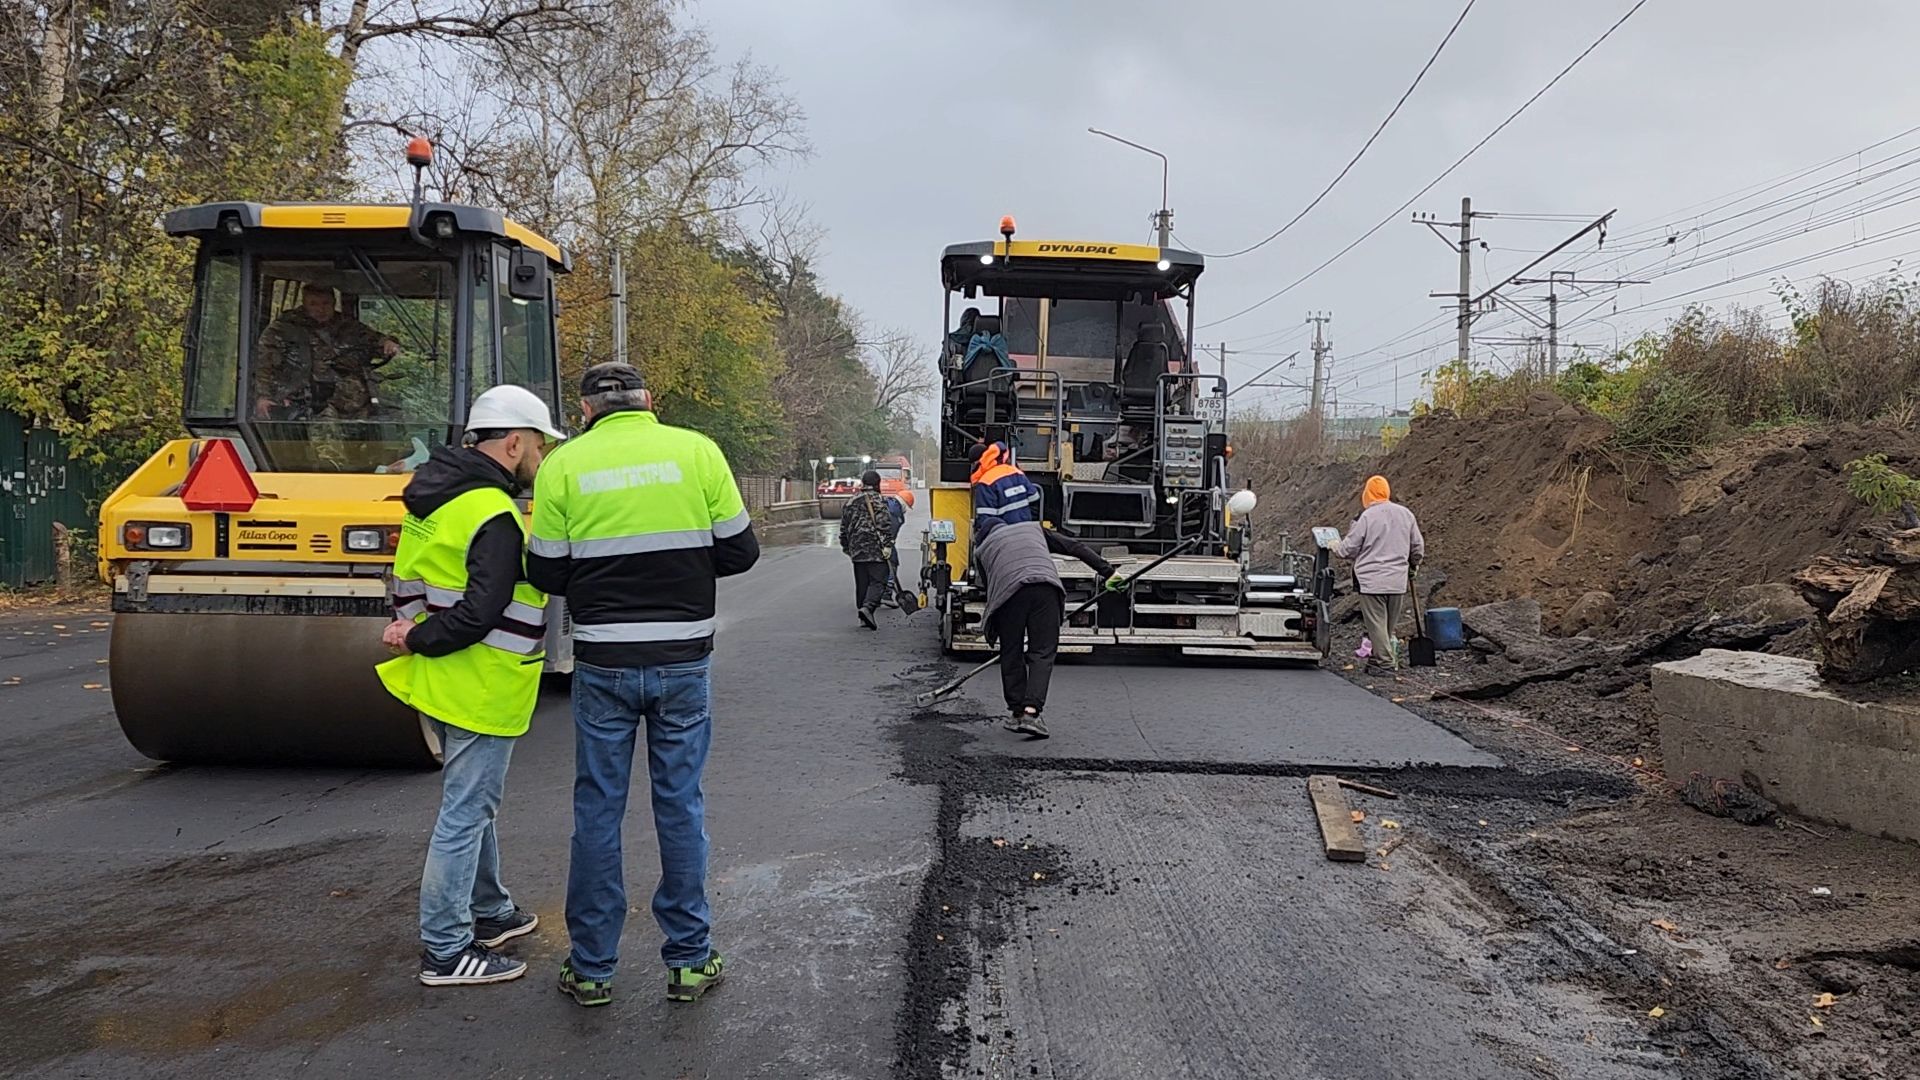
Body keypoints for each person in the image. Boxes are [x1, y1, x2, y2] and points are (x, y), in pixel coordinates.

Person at [527, 361, 760, 1009]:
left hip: (601, 663)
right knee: (679, 802)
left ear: (584, 411)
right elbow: (741, 553)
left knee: (597, 809)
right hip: (683, 660)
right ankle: (689, 959)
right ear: (648, 401)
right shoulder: (696, 451)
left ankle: (592, 968)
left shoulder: (563, 466)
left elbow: (545, 571)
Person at [375, 384, 567, 988]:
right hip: (480, 679)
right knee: (465, 813)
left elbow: (407, 581)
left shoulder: (431, 499)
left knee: (474, 806)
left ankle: (491, 911)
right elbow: (482, 612)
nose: (540, 456)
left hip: (441, 678)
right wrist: (421, 639)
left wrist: (413, 635)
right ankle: (446, 949)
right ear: (513, 442)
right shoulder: (493, 513)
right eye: (538, 444)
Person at [972, 514, 1125, 739]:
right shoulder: (1033, 529)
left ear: (980, 535)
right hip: (1045, 589)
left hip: (1008, 596)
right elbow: (1074, 546)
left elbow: (989, 591)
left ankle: (1016, 713)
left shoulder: (981, 551)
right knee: (1041, 652)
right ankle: (1031, 714)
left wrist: (998, 630)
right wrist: (1109, 572)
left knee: (1011, 652)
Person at [254, 283, 402, 420]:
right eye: (313, 304)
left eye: (326, 303)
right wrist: (264, 397)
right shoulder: (283, 330)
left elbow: (376, 341)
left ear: (333, 303)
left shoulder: (348, 326)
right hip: (303, 404)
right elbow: (263, 365)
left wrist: (388, 343)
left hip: (350, 404)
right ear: (304, 304)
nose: (321, 309)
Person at [1334, 474, 1426, 673]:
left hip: (1371, 580)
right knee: (1386, 627)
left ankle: (1385, 663)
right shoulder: (1406, 514)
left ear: (1367, 494)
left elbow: (1348, 550)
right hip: (1397, 581)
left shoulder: (1367, 517)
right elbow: (1417, 547)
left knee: (1376, 625)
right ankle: (1377, 659)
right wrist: (1413, 565)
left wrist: (1334, 545)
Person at [839, 470, 897, 629]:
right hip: (875, 548)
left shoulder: (850, 501)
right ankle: (868, 607)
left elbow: (843, 528)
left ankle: (863, 615)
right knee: (879, 578)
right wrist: (887, 546)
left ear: (863, 483)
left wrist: (846, 547)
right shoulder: (879, 501)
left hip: (856, 549)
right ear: (878, 484)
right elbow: (885, 525)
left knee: (862, 581)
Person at [969, 441, 1040, 541]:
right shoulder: (1015, 471)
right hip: (1026, 531)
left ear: (976, 463)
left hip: (1003, 538)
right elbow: (1035, 498)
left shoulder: (985, 482)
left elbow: (985, 520)